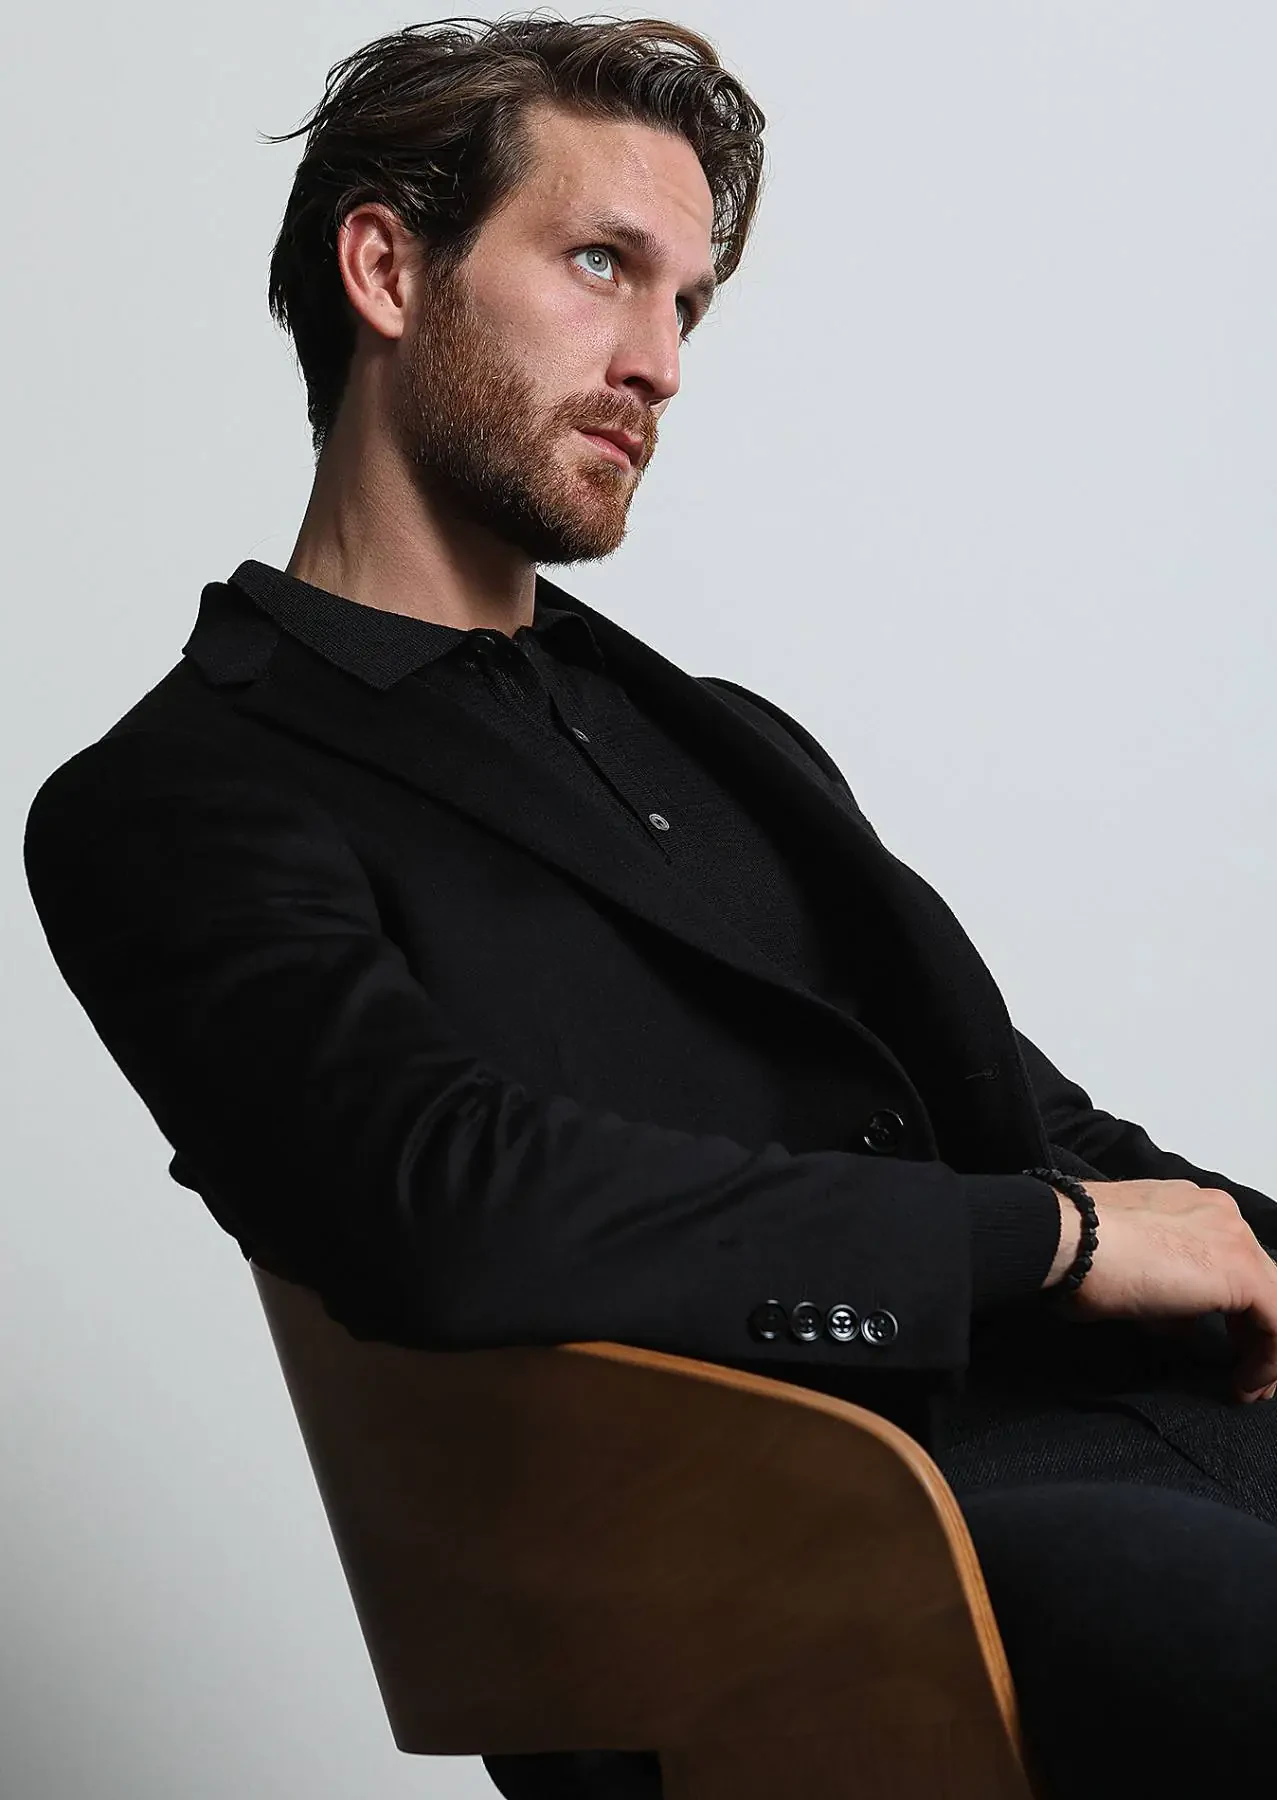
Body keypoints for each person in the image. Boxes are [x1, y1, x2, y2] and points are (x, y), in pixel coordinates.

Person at [21, 16, 1277, 1799]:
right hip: (798, 1560)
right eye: (603, 265)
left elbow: (1032, 1122)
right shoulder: (176, 800)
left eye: (687, 301)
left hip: (1124, 1447)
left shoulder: (725, 736)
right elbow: (446, 1198)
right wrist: (1047, 1246)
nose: (662, 361)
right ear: (387, 270)